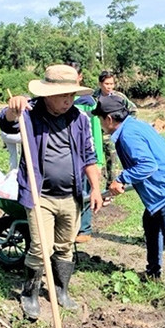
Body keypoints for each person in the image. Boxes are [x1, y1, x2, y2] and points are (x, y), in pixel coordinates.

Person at [0, 65, 103, 320]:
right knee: (40, 248)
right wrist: (14, 109)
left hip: (71, 195)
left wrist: (96, 189)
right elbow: (5, 122)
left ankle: (60, 290)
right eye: (62, 95)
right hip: (39, 195)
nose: (68, 100)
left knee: (65, 247)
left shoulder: (79, 119)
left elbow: (89, 156)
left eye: (71, 95)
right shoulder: (29, 114)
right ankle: (30, 294)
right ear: (46, 94)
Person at [91, 94, 165, 290]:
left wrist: (121, 179)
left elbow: (147, 165)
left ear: (110, 119)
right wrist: (115, 187)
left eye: (100, 119)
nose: (100, 123)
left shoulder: (128, 135)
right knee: (151, 224)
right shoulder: (134, 125)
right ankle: (153, 273)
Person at [68, 62, 105, 243]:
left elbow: (95, 131)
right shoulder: (57, 100)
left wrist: (98, 161)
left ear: (80, 77)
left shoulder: (87, 102)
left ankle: (84, 228)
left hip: (85, 156)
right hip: (67, 158)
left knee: (84, 191)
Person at [93, 71, 137, 186]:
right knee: (94, 161)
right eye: (107, 84)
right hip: (97, 133)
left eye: (111, 84)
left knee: (112, 161)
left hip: (113, 134)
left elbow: (133, 110)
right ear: (100, 84)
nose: (109, 87)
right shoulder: (94, 97)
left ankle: (111, 186)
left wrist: (124, 127)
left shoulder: (119, 97)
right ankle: (93, 186)